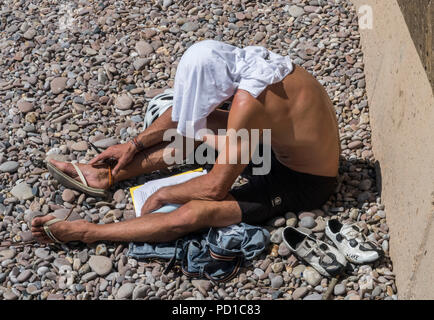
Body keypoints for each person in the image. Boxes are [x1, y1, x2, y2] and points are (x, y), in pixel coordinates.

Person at [31, 40, 340, 244]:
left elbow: (214, 187)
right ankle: (105, 175)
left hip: (303, 181)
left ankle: (88, 232)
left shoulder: (249, 105)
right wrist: (135, 144)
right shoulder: (249, 62)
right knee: (197, 132)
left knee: (196, 212)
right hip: (274, 144)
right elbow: (184, 113)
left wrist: (166, 193)